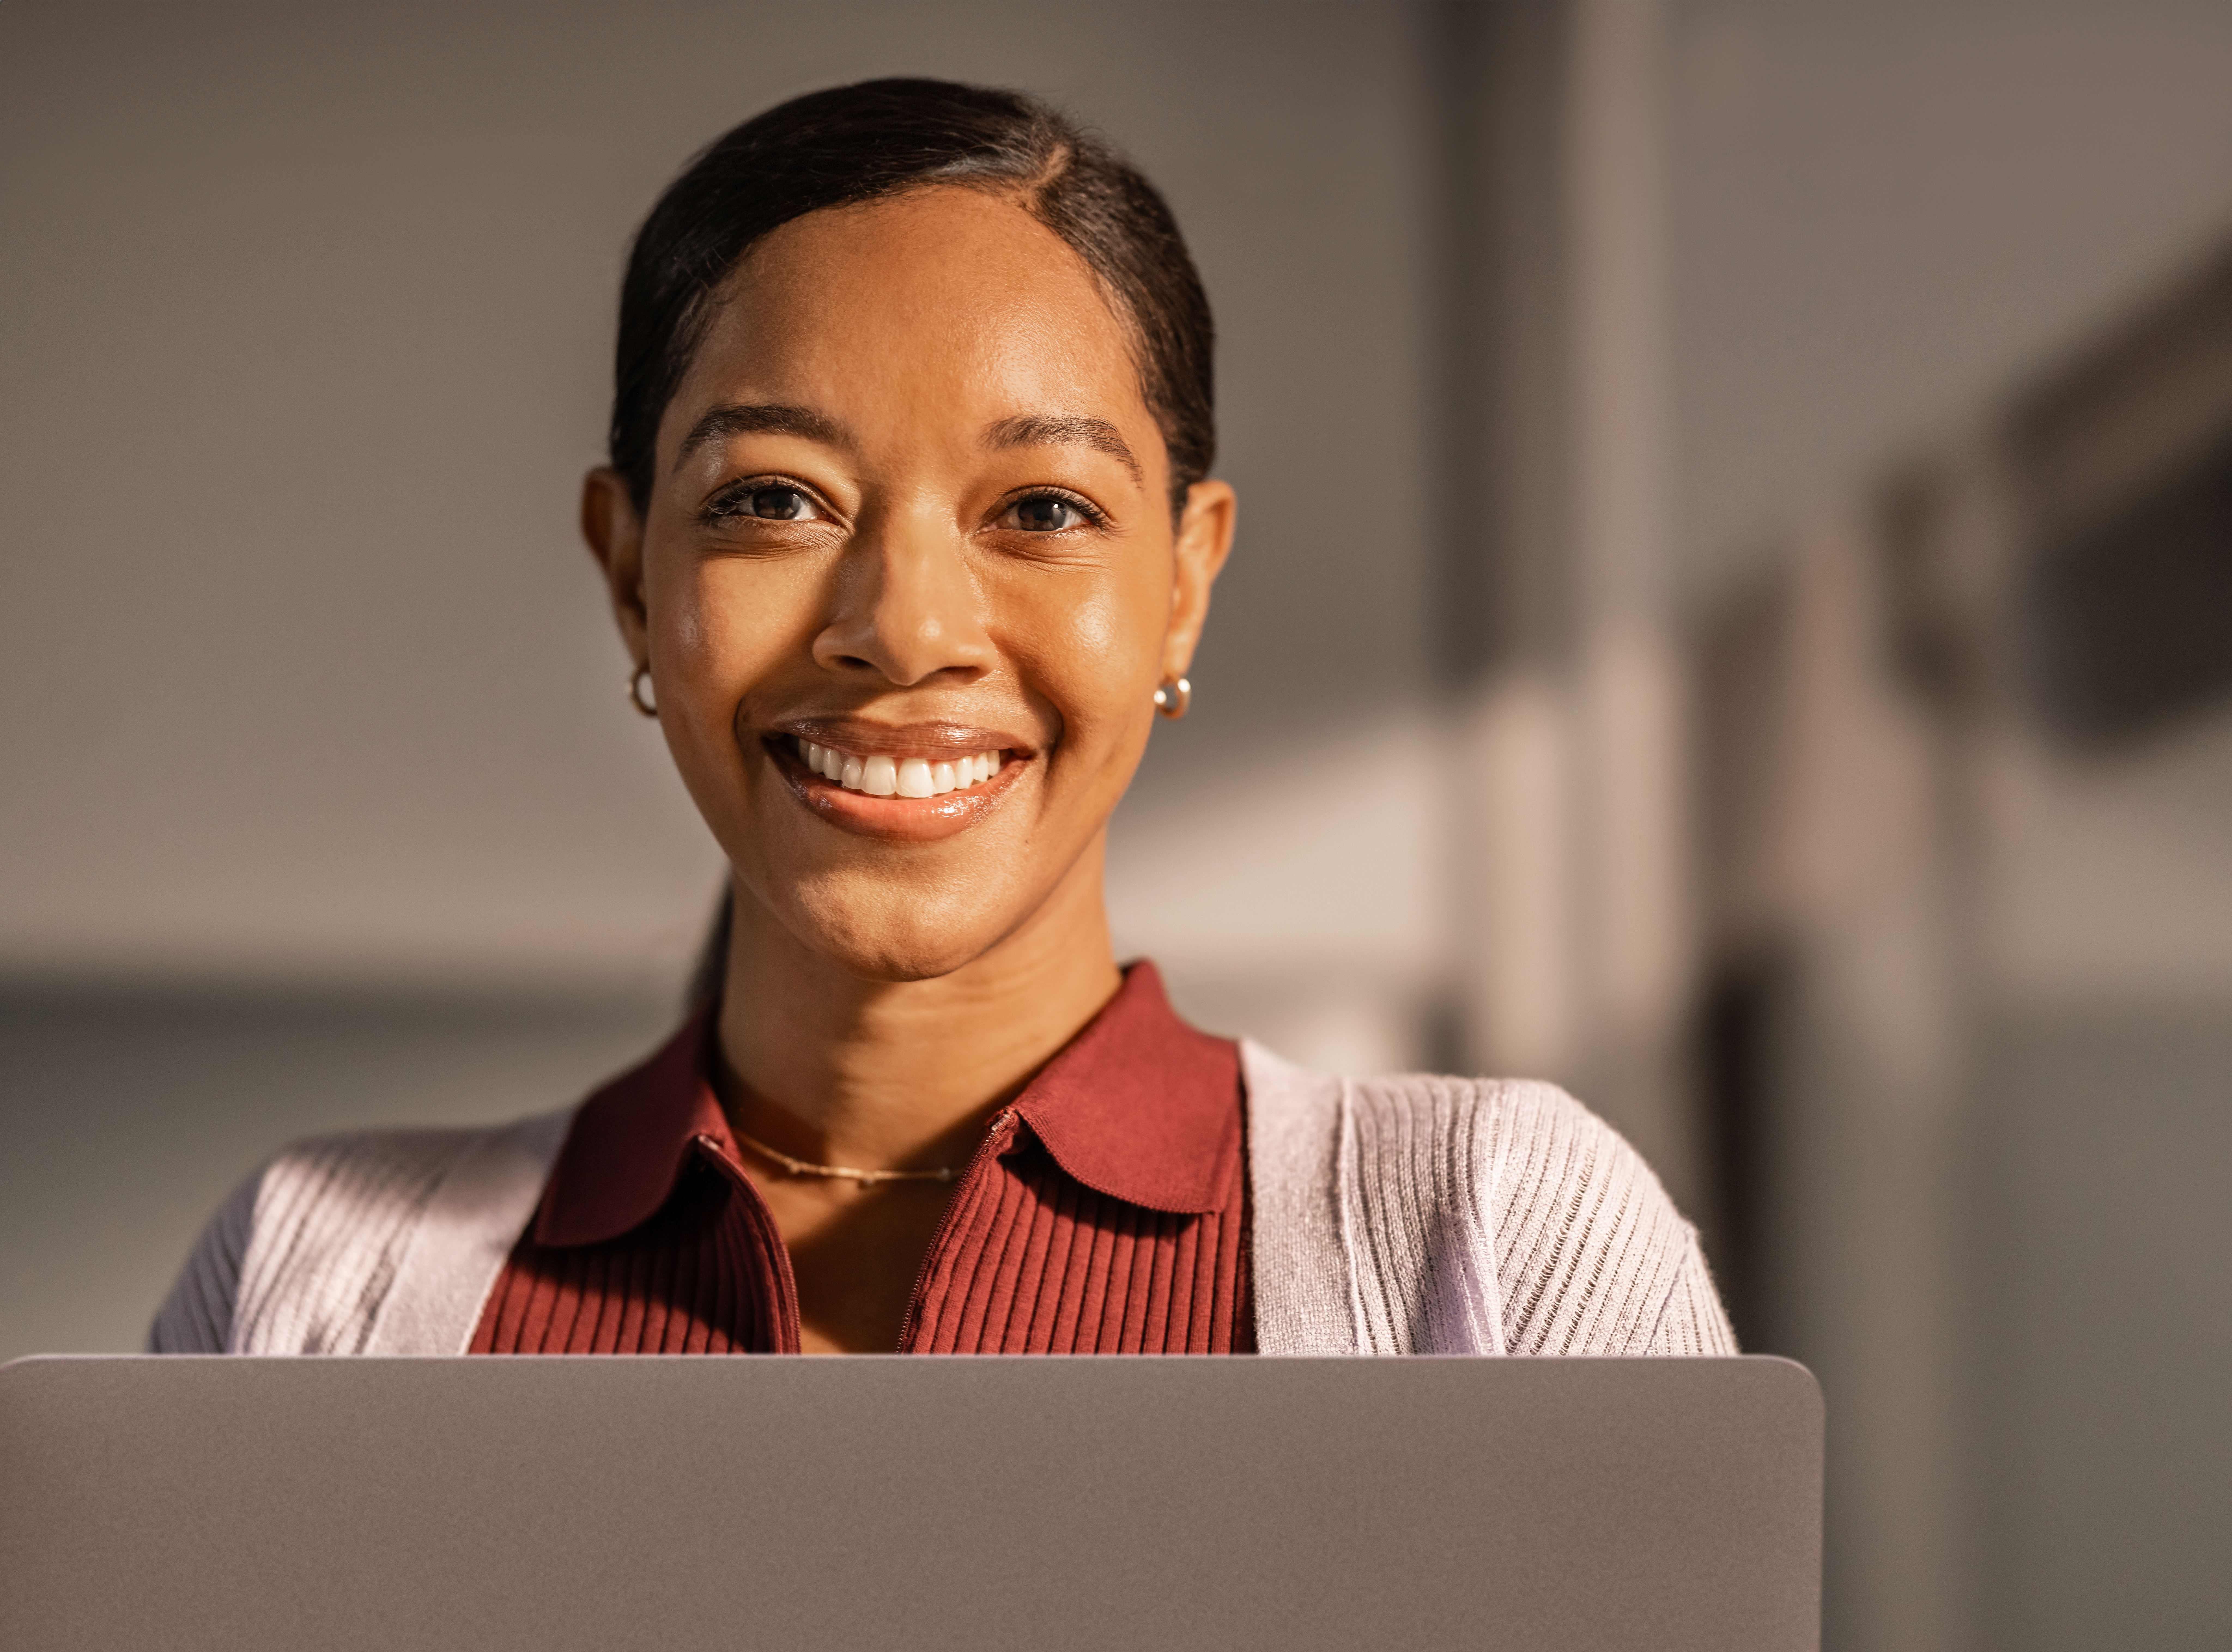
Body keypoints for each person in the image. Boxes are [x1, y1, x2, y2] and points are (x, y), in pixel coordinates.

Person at [151, 78, 1734, 1361]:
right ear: (633, 572)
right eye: (776, 499)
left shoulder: (1496, 1239)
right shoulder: (313, 1283)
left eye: (1040, 507)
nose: (905, 630)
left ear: (1183, 583)